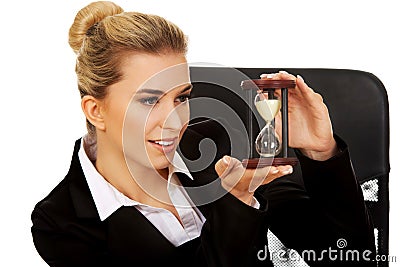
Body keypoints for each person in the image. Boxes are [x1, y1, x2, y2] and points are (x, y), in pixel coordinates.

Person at [31, 1, 376, 266]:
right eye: (149, 99)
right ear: (96, 110)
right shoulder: (62, 223)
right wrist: (236, 207)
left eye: (181, 97)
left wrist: (322, 152)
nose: (174, 121)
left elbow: (346, 255)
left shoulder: (222, 143)